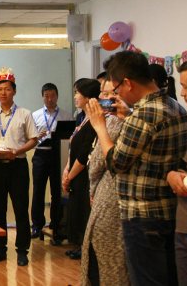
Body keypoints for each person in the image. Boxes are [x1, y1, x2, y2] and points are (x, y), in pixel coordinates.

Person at [86, 51, 187, 286]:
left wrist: (100, 127)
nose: (117, 95)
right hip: (170, 210)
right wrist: (128, 117)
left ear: (128, 83)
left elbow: (116, 163)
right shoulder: (177, 108)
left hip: (142, 216)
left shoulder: (142, 115)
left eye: (116, 89)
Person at [0, 67, 38, 267]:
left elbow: (33, 139)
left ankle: (22, 251)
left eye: (7, 89)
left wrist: (18, 150)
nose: (3, 93)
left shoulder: (25, 114)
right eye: (0, 89)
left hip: (18, 166)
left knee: (21, 209)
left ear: (14, 91)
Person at [80, 78, 130, 286]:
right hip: (113, 195)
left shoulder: (115, 120)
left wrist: (92, 190)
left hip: (110, 194)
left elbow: (100, 161)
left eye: (107, 94)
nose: (101, 98)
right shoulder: (122, 118)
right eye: (102, 92)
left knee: (106, 255)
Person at [61, 79, 100, 261]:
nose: (75, 96)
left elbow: (84, 156)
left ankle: (86, 255)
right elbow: (73, 149)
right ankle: (81, 250)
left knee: (84, 217)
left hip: (84, 177)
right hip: (74, 174)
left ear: (88, 96)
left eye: (77, 92)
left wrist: (69, 176)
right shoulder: (83, 119)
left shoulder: (94, 122)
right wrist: (66, 170)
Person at [30, 82, 73, 242]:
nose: (49, 99)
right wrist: (37, 137)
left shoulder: (66, 115)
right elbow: (29, 138)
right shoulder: (34, 115)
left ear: (57, 96)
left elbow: (70, 137)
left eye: (52, 95)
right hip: (40, 155)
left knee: (57, 191)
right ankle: (37, 225)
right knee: (38, 191)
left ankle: (57, 223)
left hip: (58, 156)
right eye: (46, 96)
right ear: (42, 97)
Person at [167, 59, 187, 285]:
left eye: (185, 87)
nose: (182, 93)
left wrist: (181, 181)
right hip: (184, 223)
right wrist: (174, 175)